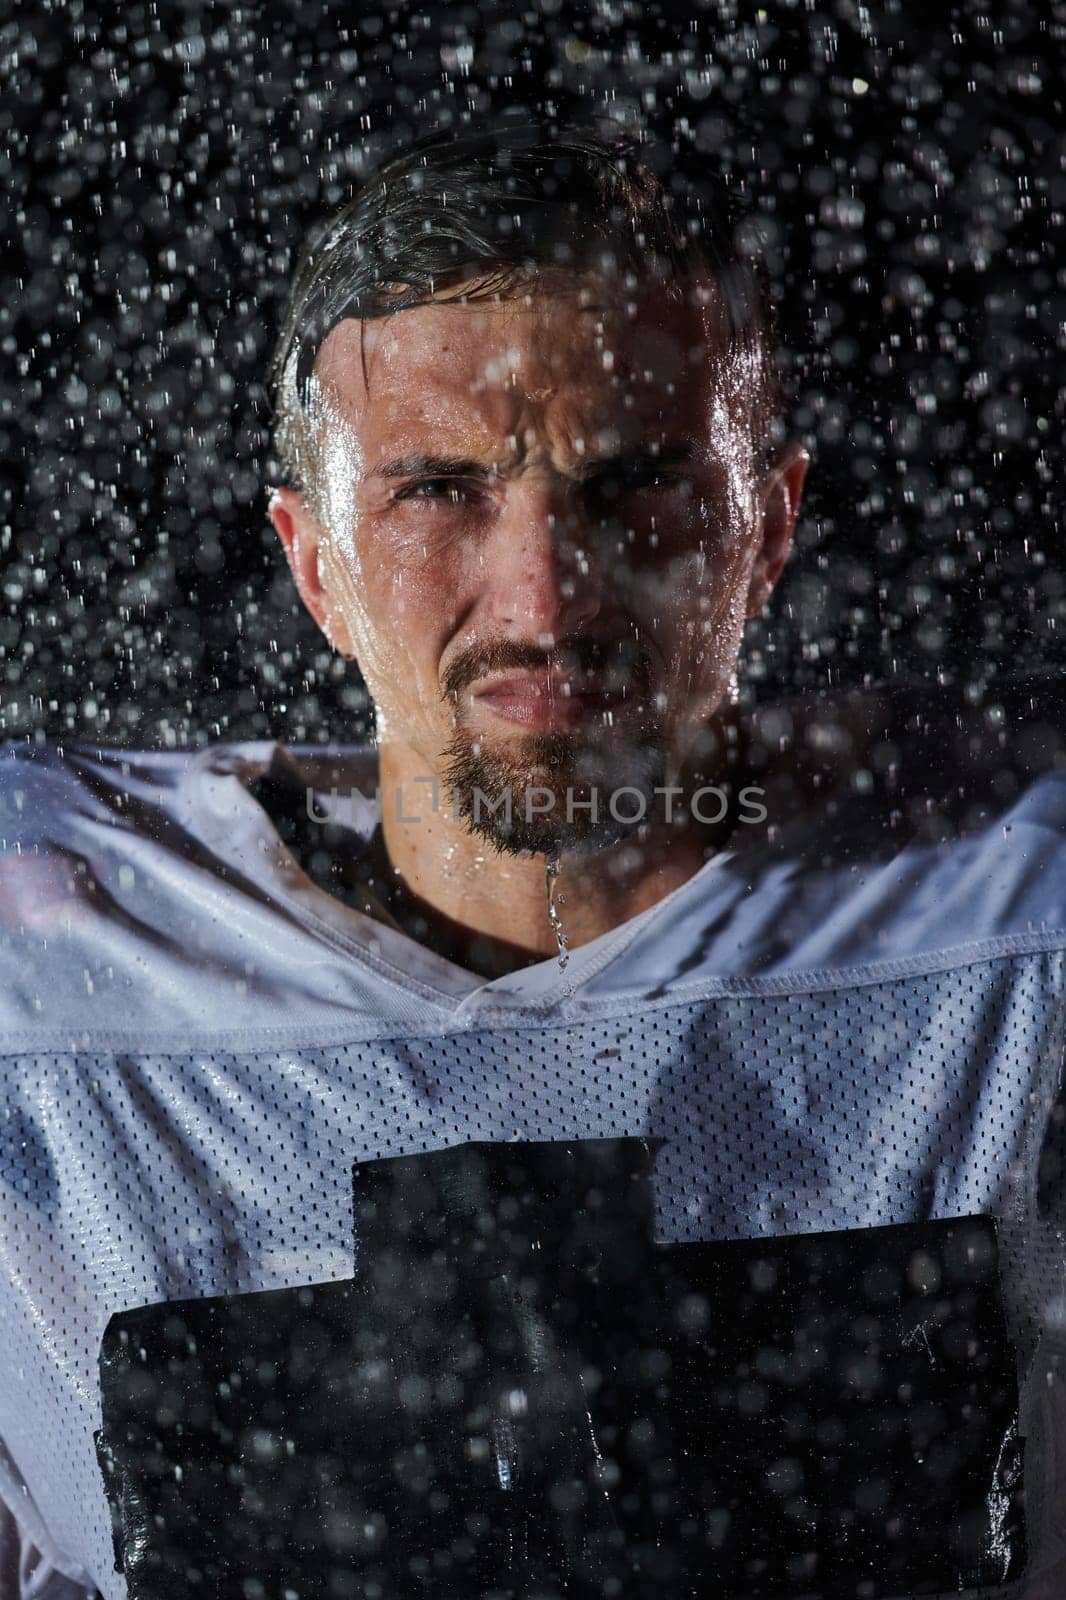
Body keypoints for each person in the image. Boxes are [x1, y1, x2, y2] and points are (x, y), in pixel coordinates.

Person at [0, 118, 1064, 1600]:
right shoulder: (47, 965)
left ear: (769, 530)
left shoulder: (1013, 929)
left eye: (631, 483)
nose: (546, 595)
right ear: (314, 563)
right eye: (438, 489)